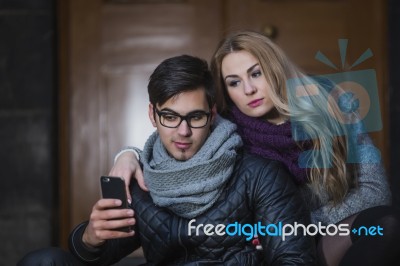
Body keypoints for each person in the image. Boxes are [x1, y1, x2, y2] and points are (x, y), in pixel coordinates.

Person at [112, 31, 400, 266]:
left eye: (256, 73)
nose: (248, 90)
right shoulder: (225, 129)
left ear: (274, 68)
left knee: (386, 224)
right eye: (234, 82)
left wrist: (291, 224)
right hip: (266, 251)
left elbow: (375, 191)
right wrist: (128, 154)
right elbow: (177, 137)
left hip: (312, 233)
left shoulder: (335, 103)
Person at [18, 54, 316, 265]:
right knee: (43, 261)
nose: (183, 131)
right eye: (170, 117)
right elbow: (93, 257)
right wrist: (90, 238)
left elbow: (294, 258)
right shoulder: (140, 178)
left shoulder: (259, 175)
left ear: (212, 114)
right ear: (152, 115)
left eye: (195, 117)